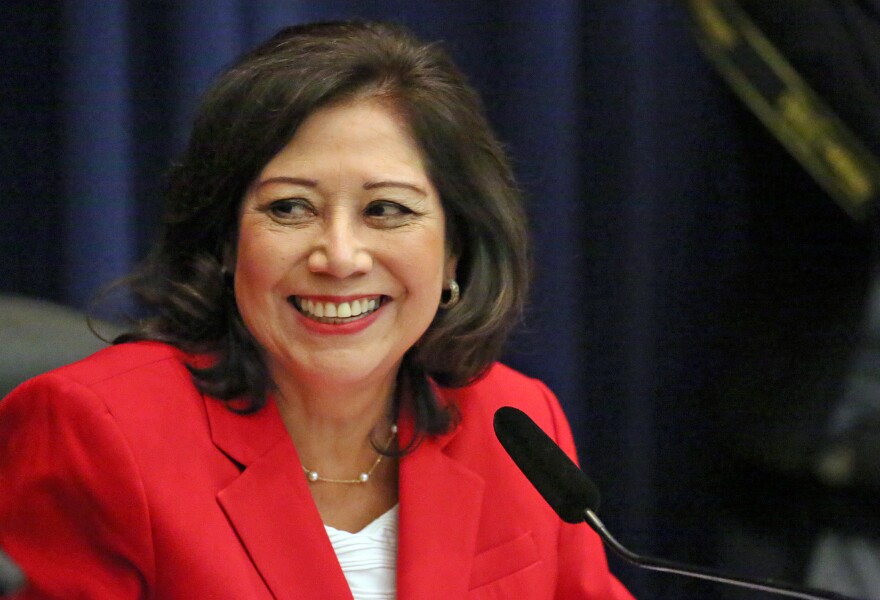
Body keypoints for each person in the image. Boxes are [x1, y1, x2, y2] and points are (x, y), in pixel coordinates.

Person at [0, 21, 632, 599]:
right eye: (289, 208)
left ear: (454, 252)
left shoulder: (511, 423)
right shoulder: (98, 430)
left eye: (387, 209)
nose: (339, 256)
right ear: (226, 241)